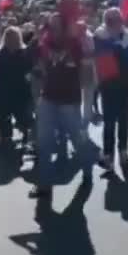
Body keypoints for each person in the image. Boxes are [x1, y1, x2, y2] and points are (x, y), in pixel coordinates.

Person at [30, 12, 96, 200]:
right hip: (48, 98)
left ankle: (87, 171)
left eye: (58, 25)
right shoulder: (44, 43)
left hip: (70, 100)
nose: (55, 28)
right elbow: (40, 66)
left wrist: (85, 99)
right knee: (44, 143)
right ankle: (44, 184)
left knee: (77, 140)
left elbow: (85, 70)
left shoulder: (75, 44)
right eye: (52, 25)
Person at [93, 7, 128, 171]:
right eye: (110, 20)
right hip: (108, 86)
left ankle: (123, 151)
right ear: (105, 22)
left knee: (124, 120)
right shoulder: (99, 36)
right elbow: (100, 60)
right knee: (109, 121)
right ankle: (108, 155)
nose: (114, 24)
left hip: (125, 86)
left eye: (117, 20)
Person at [0, 26, 34, 148]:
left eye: (14, 37)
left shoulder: (24, 52)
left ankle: (25, 133)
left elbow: (29, 68)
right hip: (3, 88)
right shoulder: (0, 52)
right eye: (9, 37)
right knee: (3, 115)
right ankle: (5, 138)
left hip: (20, 88)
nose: (11, 39)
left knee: (21, 115)